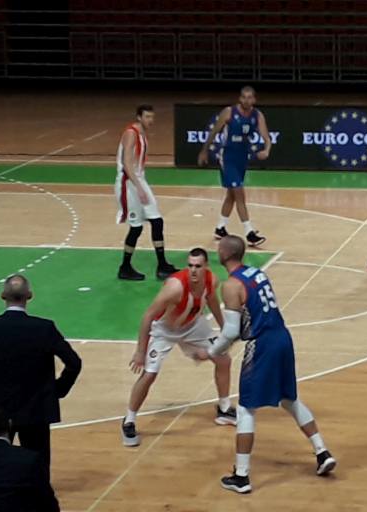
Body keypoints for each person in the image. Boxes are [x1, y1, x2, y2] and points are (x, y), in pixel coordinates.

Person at [193, 235, 336, 494]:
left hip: (262, 345)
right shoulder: (257, 273)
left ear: (225, 253)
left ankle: (242, 476)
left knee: (246, 408)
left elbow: (231, 331)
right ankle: (322, 451)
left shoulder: (231, 285)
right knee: (289, 399)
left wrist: (211, 352)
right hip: (282, 338)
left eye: (219, 247)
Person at [0, 274, 82, 479]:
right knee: (38, 465)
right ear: (29, 295)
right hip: (34, 407)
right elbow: (74, 363)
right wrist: (57, 390)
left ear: (3, 295)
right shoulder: (43, 328)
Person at [121, 248, 236, 447]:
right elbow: (148, 316)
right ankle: (129, 420)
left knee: (224, 359)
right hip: (164, 330)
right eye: (190, 265)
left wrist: (225, 329)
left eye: (198, 266)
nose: (193, 270)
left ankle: (224, 409)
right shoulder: (175, 288)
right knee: (149, 374)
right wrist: (140, 351)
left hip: (193, 325)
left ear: (206, 267)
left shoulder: (212, 281)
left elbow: (212, 301)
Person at [196, 86, 270, 247]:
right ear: (240, 98)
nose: (246, 100)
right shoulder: (229, 112)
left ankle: (220, 228)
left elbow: (266, 137)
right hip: (227, 157)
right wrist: (204, 151)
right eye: (244, 97)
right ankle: (249, 233)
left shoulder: (257, 115)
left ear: (254, 99)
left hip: (242, 158)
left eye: (249, 97)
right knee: (239, 193)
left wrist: (266, 150)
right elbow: (214, 132)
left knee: (231, 195)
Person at [115, 104, 177, 281]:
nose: (151, 120)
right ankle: (125, 267)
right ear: (139, 117)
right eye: (147, 117)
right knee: (136, 227)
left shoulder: (142, 133)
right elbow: (127, 164)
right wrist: (139, 188)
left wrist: (141, 185)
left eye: (152, 117)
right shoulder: (131, 133)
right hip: (128, 184)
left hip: (138, 181)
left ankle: (162, 265)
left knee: (157, 221)